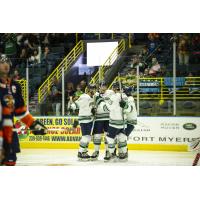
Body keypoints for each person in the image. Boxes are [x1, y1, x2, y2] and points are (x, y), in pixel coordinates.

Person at [0, 54, 47, 166]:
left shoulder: (15, 86)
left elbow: (20, 111)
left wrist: (34, 125)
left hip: (9, 133)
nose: (5, 64)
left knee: (10, 163)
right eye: (2, 62)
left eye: (7, 62)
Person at [104, 82, 129, 162]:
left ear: (115, 88)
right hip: (123, 122)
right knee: (122, 137)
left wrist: (103, 102)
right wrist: (124, 105)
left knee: (110, 138)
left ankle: (112, 154)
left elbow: (107, 108)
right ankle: (123, 154)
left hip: (114, 123)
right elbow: (128, 109)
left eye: (114, 88)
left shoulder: (113, 97)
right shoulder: (125, 96)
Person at [91, 82, 114, 161]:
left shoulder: (110, 93)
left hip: (108, 118)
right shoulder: (95, 95)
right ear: (99, 87)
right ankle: (96, 151)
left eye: (105, 86)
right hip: (98, 118)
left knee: (108, 136)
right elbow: (93, 104)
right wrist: (93, 109)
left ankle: (108, 151)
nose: (104, 87)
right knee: (97, 136)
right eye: (102, 86)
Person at [72, 84, 96, 161]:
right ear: (89, 90)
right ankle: (80, 152)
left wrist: (92, 110)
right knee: (86, 137)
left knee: (87, 137)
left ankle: (84, 152)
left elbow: (90, 108)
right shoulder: (84, 96)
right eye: (93, 89)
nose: (95, 91)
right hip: (84, 119)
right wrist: (73, 108)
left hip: (89, 119)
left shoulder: (91, 98)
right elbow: (75, 104)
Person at [123, 87, 137, 157]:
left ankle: (124, 152)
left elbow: (129, 110)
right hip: (129, 121)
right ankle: (124, 151)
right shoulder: (130, 98)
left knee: (123, 137)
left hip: (130, 122)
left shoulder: (129, 99)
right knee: (123, 137)